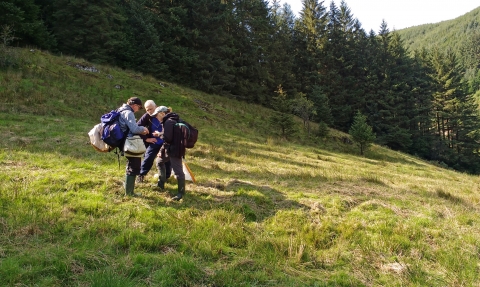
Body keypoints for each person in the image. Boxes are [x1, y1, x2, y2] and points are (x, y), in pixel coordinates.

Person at [118, 97, 149, 196]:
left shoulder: (120, 109)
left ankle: (128, 188)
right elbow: (134, 129)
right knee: (134, 165)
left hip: (123, 141)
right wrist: (143, 128)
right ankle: (129, 193)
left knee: (131, 164)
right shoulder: (129, 112)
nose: (138, 110)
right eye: (139, 108)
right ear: (135, 105)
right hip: (129, 142)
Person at [154, 106, 186, 201]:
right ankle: (160, 184)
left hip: (175, 150)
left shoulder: (168, 121)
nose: (156, 117)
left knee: (178, 171)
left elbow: (167, 138)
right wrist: (161, 151)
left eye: (157, 115)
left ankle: (181, 193)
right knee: (159, 161)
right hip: (170, 149)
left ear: (162, 113)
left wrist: (159, 134)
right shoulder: (173, 119)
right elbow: (168, 137)